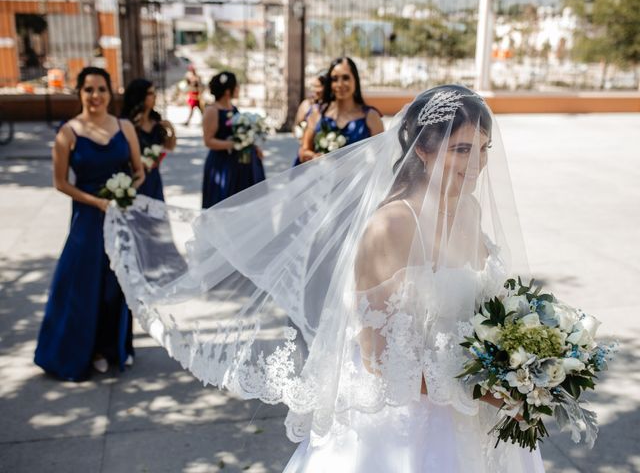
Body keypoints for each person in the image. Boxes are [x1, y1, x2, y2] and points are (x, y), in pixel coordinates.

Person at [105, 85, 546, 471]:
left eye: (483, 148)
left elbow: (487, 307)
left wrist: (526, 361)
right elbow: (377, 360)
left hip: (480, 411)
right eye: (462, 149)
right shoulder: (390, 226)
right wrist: (478, 387)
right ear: (424, 151)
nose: (477, 164)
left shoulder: (468, 209)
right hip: (407, 423)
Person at [35, 67, 144, 381]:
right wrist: (96, 201)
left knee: (115, 285)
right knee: (83, 284)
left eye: (101, 89)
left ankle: (115, 346)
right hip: (86, 218)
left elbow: (139, 171)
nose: (95, 96)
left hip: (119, 217)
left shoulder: (125, 127)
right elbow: (60, 183)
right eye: (88, 90)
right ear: (80, 93)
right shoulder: (68, 132)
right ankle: (89, 349)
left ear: (110, 93)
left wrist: (126, 192)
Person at [298, 57, 384, 164]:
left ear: (355, 80)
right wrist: (315, 157)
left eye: (346, 78)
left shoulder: (371, 116)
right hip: (323, 178)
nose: (340, 84)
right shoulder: (317, 112)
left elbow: (383, 159)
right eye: (334, 79)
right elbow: (303, 152)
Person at [201, 71, 265, 208]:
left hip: (238, 165)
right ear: (227, 91)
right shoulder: (212, 110)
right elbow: (208, 141)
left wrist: (254, 146)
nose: (238, 89)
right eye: (236, 86)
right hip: (221, 164)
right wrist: (236, 144)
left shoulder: (233, 108)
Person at [121, 78, 176, 201]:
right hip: (134, 178)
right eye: (150, 93)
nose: (155, 96)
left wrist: (171, 131)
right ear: (140, 96)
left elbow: (169, 147)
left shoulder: (156, 121)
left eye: (155, 93)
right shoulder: (127, 123)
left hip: (154, 177)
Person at [292, 73, 325, 165]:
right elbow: (296, 127)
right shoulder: (306, 105)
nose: (314, 90)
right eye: (313, 86)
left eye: (318, 86)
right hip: (307, 154)